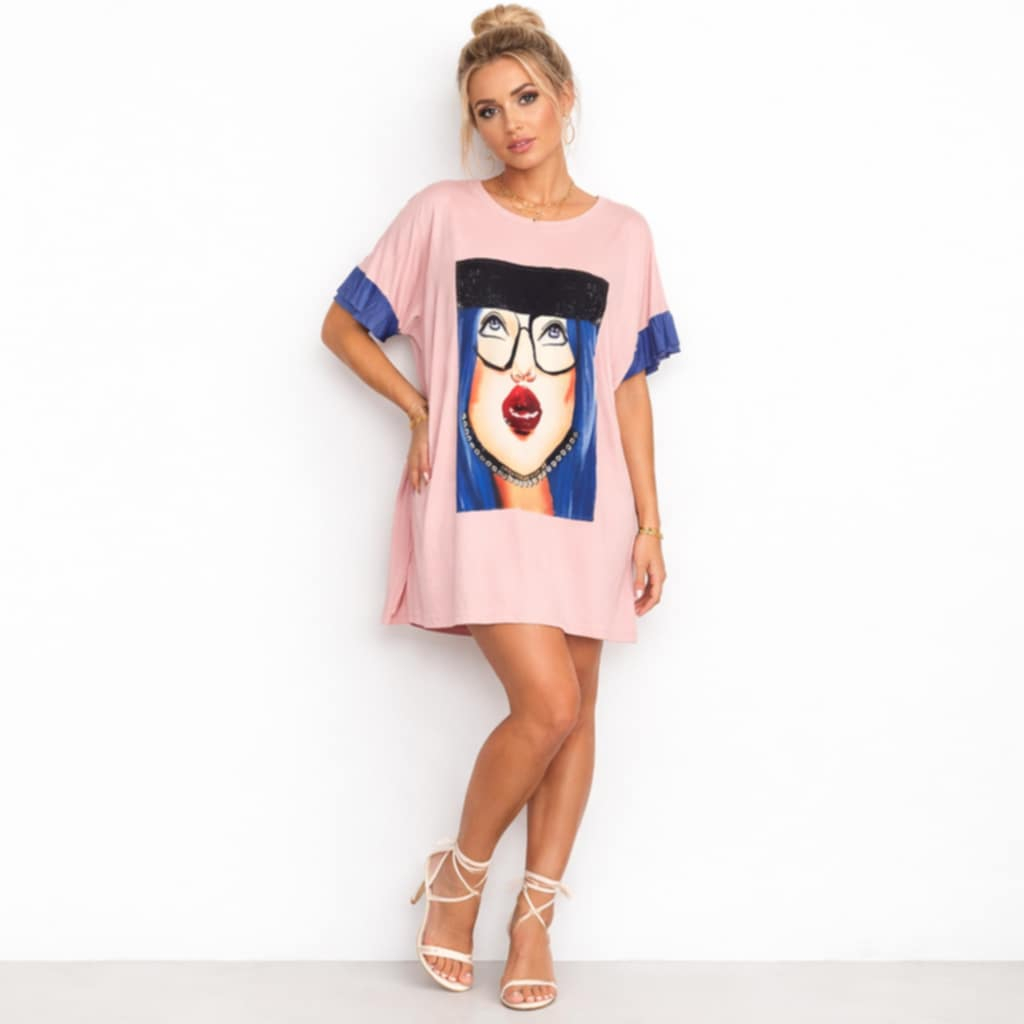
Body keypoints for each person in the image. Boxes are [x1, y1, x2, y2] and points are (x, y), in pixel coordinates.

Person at [320, 4, 681, 1011]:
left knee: (578, 712)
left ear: (565, 98)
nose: (510, 123)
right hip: (475, 501)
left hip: (590, 510)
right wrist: (417, 408)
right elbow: (342, 326)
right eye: (487, 109)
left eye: (525, 98)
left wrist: (651, 523)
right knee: (547, 705)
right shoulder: (442, 212)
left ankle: (534, 920)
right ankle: (459, 879)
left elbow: (626, 387)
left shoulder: (624, 234)